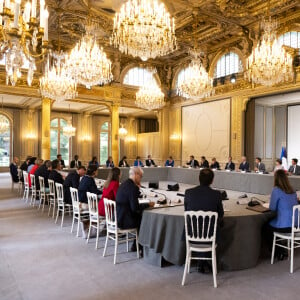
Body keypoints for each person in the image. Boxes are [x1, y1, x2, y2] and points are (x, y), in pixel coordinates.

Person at [184, 168, 224, 273]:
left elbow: (186, 211)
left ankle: (201, 263)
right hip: (211, 236)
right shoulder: (217, 194)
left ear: (199, 179)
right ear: (212, 180)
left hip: (191, 234)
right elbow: (221, 214)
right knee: (217, 226)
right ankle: (204, 262)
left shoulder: (188, 193)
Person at [116, 167, 154, 252]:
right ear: (136, 175)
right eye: (141, 176)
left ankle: (136, 245)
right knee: (146, 220)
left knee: (141, 218)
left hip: (119, 217)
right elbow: (135, 208)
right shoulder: (132, 187)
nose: (141, 178)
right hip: (125, 220)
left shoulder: (124, 184)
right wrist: (148, 204)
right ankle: (140, 247)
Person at [264, 170, 298, 260]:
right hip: (296, 225)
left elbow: (272, 208)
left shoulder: (276, 190)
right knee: (271, 224)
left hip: (285, 226)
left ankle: (278, 252)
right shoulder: (293, 191)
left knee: (265, 227)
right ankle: (281, 250)